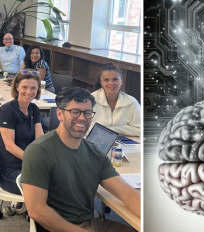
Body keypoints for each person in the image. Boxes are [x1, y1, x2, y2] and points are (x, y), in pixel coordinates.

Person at [21, 87, 140, 232]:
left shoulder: (94, 152)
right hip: (59, 227)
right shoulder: (39, 151)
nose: (82, 118)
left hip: (91, 223)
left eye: (87, 112)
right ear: (60, 114)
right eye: (75, 112)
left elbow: (126, 192)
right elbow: (37, 210)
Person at [0, 73, 43, 196]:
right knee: (44, 189)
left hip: (29, 165)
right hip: (9, 169)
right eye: (25, 87)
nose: (29, 91)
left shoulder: (34, 109)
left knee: (61, 179)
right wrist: (33, 161)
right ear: (17, 87)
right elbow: (9, 146)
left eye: (33, 88)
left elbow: (40, 139)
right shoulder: (8, 110)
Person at [90, 63, 141, 137]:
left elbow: (140, 129)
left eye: (115, 79)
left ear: (121, 81)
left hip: (125, 142)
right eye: (106, 80)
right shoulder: (89, 100)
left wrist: (114, 131)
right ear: (101, 83)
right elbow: (83, 127)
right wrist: (122, 131)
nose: (111, 83)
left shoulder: (132, 102)